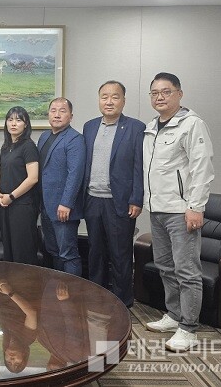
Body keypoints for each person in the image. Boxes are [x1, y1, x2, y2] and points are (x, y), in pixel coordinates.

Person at [143, 72, 214, 352]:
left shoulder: (192, 124)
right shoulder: (152, 127)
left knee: (187, 270)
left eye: (166, 92)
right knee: (165, 266)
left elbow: (202, 168)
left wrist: (196, 207)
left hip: (181, 210)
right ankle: (174, 315)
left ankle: (189, 328)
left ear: (179, 94)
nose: (159, 97)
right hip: (157, 208)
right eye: (154, 93)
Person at [82, 81, 145, 308]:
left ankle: (122, 301)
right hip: (92, 199)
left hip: (120, 201)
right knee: (95, 252)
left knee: (120, 254)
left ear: (123, 101)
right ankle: (96, 296)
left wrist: (136, 198)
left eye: (115, 97)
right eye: (104, 97)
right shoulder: (89, 127)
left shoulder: (136, 128)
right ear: (99, 100)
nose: (109, 101)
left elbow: (139, 166)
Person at [37, 98, 86, 275]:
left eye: (62, 111)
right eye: (53, 110)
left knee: (68, 254)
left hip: (63, 208)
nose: (57, 114)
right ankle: (59, 288)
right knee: (53, 251)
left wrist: (66, 203)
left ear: (71, 116)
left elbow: (75, 174)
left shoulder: (75, 139)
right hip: (45, 206)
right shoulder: (44, 137)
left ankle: (72, 291)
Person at [0, 106, 40, 265]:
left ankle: (26, 282)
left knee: (22, 252)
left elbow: (33, 178)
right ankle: (10, 282)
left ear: (26, 124)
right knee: (9, 251)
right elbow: (1, 171)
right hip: (4, 204)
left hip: (22, 205)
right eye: (10, 120)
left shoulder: (28, 146)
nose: (13, 123)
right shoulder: (5, 147)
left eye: (18, 120)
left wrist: (11, 196)